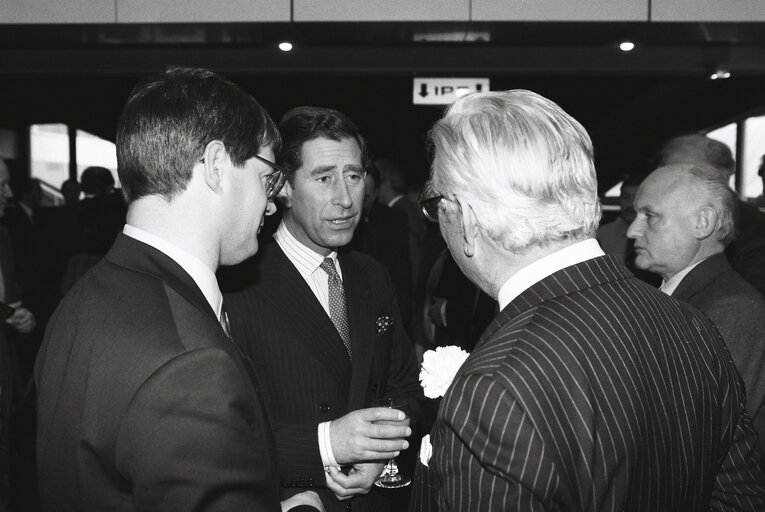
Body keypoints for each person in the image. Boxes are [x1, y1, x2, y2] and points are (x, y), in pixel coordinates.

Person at [410, 89, 765, 511]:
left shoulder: (495, 385)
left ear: (467, 219)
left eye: (437, 206)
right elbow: (739, 499)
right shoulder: (689, 323)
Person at [34, 67, 322, 512]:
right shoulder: (192, 366)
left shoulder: (84, 296)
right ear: (215, 165)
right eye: (268, 177)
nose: (273, 201)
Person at [221, 106, 421, 512]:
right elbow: (227, 436)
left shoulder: (372, 276)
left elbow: (404, 385)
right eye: (324, 178)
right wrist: (329, 446)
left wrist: (378, 454)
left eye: (354, 176)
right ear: (285, 188)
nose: (346, 199)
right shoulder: (237, 284)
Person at [628, 162, 765, 449]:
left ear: (703, 222)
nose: (632, 230)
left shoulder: (734, 309)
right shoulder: (673, 295)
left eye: (650, 216)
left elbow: (704, 437)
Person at [656, 134, 765, 297]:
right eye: (664, 172)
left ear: (723, 175)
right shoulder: (653, 222)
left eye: (683, 172)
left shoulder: (755, 231)